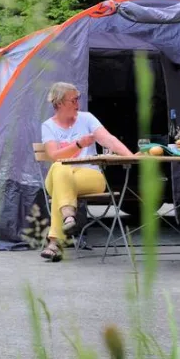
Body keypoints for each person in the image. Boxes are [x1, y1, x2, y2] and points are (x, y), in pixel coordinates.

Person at [39, 82, 134, 261]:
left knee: (61, 176)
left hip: (90, 177)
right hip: (60, 177)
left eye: (78, 99)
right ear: (59, 103)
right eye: (73, 100)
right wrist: (79, 144)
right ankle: (67, 218)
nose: (78, 104)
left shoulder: (87, 118)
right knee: (60, 166)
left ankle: (56, 238)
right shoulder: (48, 126)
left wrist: (130, 156)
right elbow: (53, 155)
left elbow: (108, 140)